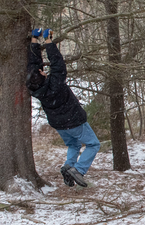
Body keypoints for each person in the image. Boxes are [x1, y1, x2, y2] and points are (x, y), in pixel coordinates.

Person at [26, 30, 100, 187]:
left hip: (59, 124)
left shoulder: (36, 88)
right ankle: (78, 170)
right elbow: (57, 63)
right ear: (41, 76)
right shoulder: (55, 84)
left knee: (74, 144)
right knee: (93, 144)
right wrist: (48, 41)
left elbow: (33, 66)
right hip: (74, 121)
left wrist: (34, 41)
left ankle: (68, 167)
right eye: (41, 72)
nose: (42, 70)